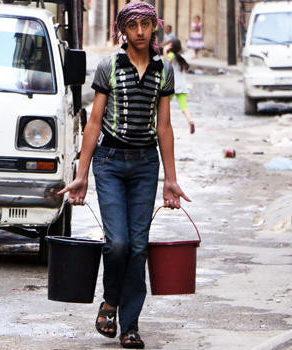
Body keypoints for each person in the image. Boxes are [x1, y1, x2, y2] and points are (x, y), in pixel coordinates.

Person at [58, 2, 190, 348]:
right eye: (134, 26)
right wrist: (81, 173)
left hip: (146, 165)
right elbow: (95, 122)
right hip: (110, 162)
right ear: (124, 31)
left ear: (154, 28)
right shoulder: (109, 67)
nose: (142, 32)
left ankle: (129, 325)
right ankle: (111, 302)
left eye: (147, 24)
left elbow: (164, 126)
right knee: (117, 244)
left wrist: (170, 180)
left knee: (138, 246)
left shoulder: (163, 71)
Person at [163, 39, 195, 134]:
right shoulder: (180, 58)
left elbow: (167, 60)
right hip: (182, 86)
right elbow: (186, 70)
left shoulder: (172, 55)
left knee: (163, 105)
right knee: (184, 106)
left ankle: (163, 122)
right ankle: (191, 121)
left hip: (173, 86)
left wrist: (165, 50)